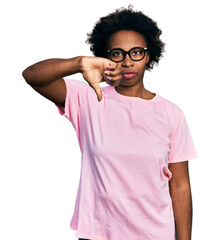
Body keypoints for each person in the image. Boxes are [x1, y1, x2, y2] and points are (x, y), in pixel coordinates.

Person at [22, 5, 198, 240]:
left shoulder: (171, 114)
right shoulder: (89, 99)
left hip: (156, 235)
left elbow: (180, 186)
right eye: (117, 53)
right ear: (104, 57)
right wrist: (79, 63)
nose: (127, 62)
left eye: (136, 52)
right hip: (98, 235)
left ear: (148, 55)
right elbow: (32, 75)